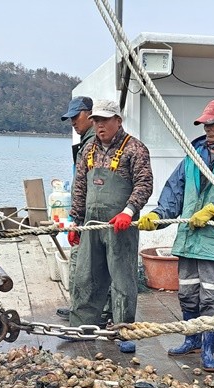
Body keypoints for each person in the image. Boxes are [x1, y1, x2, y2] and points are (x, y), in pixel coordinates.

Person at [138, 99, 214, 372]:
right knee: (188, 294)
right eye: (204, 124)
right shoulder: (195, 152)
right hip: (190, 239)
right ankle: (191, 340)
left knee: (213, 298)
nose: (207, 129)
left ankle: (208, 350)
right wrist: (159, 216)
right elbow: (175, 189)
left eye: (213, 124)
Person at [67, 99, 153, 353]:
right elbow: (80, 187)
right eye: (96, 120)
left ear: (119, 120)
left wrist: (129, 211)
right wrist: (76, 221)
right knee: (86, 275)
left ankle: (124, 330)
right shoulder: (88, 149)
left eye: (105, 120)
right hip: (92, 225)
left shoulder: (135, 149)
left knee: (122, 279)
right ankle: (82, 327)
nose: (100, 125)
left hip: (121, 226)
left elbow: (144, 184)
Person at [56, 95, 96, 321]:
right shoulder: (85, 143)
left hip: (87, 216)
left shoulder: (92, 144)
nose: (73, 122)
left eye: (76, 116)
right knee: (83, 263)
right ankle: (80, 307)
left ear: (89, 114)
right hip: (82, 214)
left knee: (82, 264)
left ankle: (83, 310)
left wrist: (77, 219)